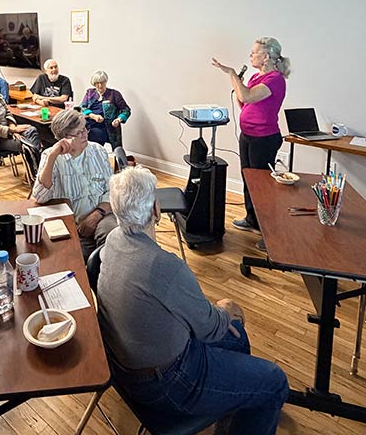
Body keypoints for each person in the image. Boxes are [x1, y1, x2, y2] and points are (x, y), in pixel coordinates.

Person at [97, 166, 289, 435]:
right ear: (155, 210)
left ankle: (234, 409)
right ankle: (244, 404)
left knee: (237, 339)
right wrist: (226, 308)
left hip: (125, 367)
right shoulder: (164, 266)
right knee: (275, 381)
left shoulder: (113, 240)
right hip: (165, 384)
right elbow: (210, 328)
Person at [212, 38, 291, 241]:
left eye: (254, 52)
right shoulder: (257, 76)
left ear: (266, 56)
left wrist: (231, 74)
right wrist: (236, 81)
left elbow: (247, 97)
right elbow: (244, 103)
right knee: (248, 180)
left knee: (262, 187)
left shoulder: (275, 79)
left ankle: (269, 234)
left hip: (264, 139)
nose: (250, 55)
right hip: (248, 135)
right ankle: (252, 219)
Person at [32, 110, 118, 260]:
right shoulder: (51, 156)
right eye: (79, 133)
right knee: (70, 258)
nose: (85, 134)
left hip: (102, 215)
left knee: (112, 237)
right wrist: (53, 156)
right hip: (71, 224)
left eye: (85, 129)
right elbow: (39, 197)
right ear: (64, 138)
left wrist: (97, 214)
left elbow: (112, 189)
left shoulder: (97, 151)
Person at [79, 70, 131, 148]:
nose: (100, 85)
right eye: (97, 83)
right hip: (90, 124)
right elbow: (82, 107)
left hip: (107, 128)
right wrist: (93, 116)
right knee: (77, 133)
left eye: (102, 82)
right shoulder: (90, 93)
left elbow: (126, 110)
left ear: (105, 82)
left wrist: (118, 120)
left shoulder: (114, 94)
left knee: (90, 135)